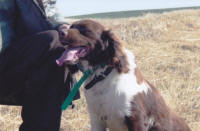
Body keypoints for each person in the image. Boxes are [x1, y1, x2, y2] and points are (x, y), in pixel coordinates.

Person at [0, 0, 79, 130]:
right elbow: (4, 16)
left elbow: (50, 7)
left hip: (42, 54)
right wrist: (6, 55)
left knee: (57, 53)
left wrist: (62, 26)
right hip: (14, 56)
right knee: (52, 39)